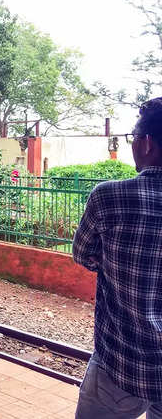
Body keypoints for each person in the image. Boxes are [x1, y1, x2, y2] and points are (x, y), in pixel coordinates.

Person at [73, 97, 162, 419]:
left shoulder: (110, 196)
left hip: (123, 363)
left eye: (133, 139)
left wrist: (114, 264)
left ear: (147, 143)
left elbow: (83, 254)